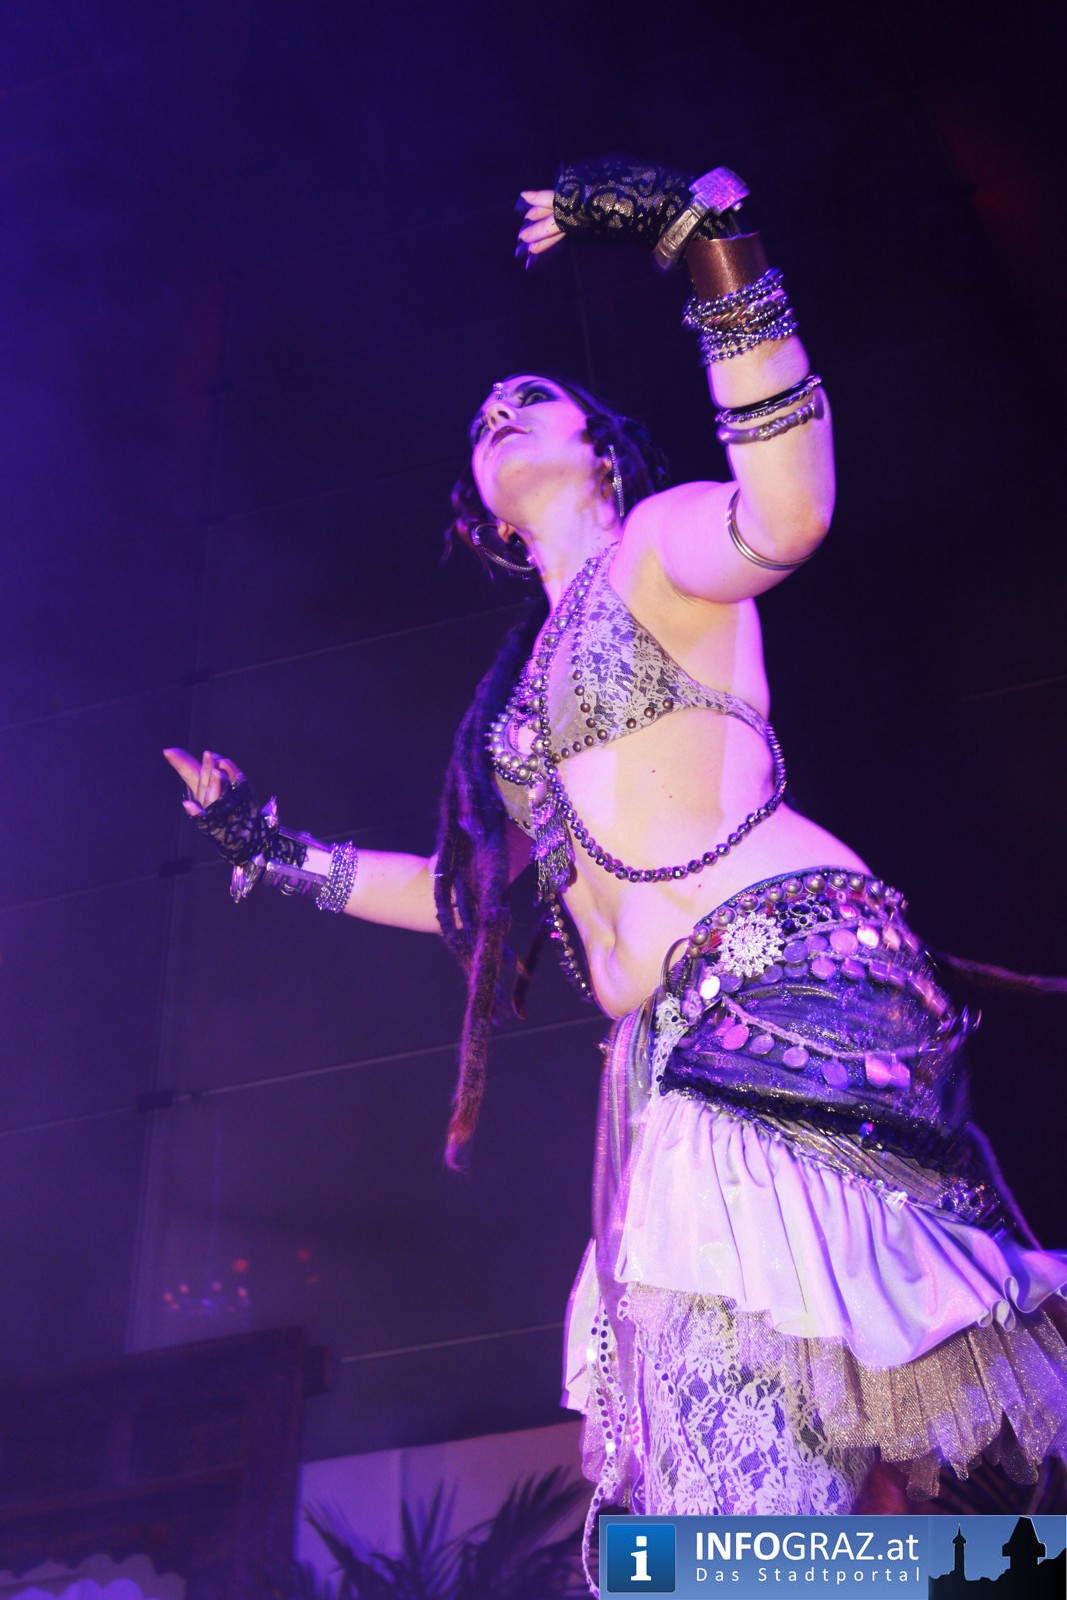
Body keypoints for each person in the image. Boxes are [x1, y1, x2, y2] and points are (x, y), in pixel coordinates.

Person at [165, 158, 1067, 1581]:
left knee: (731, 1480)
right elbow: (468, 906)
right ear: (484, 514)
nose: (498, 406)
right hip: (673, 1054)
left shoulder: (656, 547)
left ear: (601, 453)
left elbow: (788, 510)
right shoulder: (514, 702)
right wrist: (274, 856)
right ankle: (1003, 1574)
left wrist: (706, 245)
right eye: (482, 414)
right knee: (737, 1502)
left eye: (533, 394)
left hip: (786, 981)